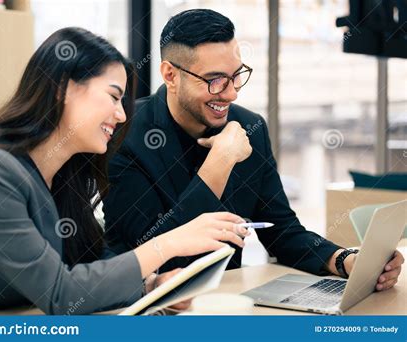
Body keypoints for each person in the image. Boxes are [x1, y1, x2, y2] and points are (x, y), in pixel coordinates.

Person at [0, 27, 249, 315]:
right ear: (62, 89)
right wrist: (171, 242)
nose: (122, 114)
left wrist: (150, 285)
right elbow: (62, 293)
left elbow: (89, 263)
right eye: (113, 96)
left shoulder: (65, 174)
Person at [103, 10, 403, 289]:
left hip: (229, 300)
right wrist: (220, 162)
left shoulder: (249, 127)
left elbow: (283, 232)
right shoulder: (123, 134)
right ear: (170, 75)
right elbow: (159, 258)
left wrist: (345, 261)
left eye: (236, 75)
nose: (231, 92)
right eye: (215, 80)